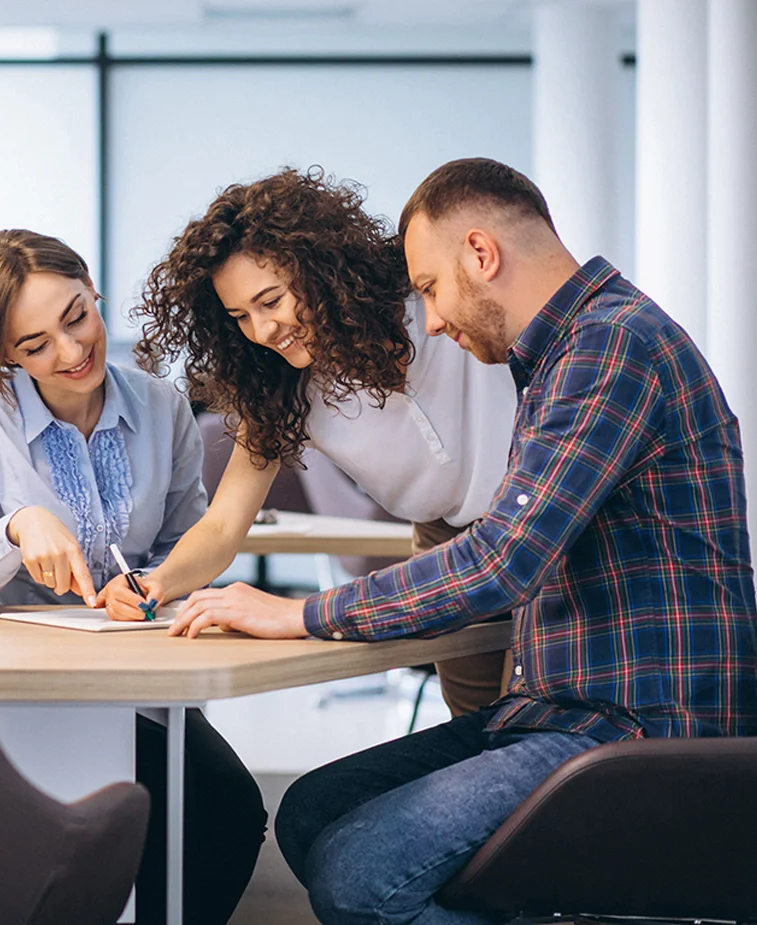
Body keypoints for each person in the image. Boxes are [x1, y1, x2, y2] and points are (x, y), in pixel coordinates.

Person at [164, 158, 757, 925]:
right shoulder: (558, 355)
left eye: (432, 290)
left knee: (359, 874)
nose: (432, 320)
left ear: (481, 254)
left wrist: (301, 612)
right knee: (313, 811)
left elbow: (502, 558)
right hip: (558, 704)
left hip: (634, 721)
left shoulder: (610, 348)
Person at [0, 229, 266, 925]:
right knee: (140, 817)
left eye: (77, 316)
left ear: (92, 288)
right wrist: (18, 525)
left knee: (225, 810)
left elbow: (185, 543)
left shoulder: (161, 406)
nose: (73, 351)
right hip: (15, 695)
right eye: (35, 345)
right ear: (1, 357)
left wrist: (152, 582)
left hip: (134, 680)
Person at [117, 166, 518, 715]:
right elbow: (221, 524)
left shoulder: (428, 302)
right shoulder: (282, 389)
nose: (261, 331)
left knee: (550, 730)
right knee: (480, 735)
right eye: (240, 317)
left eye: (271, 301)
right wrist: (154, 583)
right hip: (444, 546)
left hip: (539, 519)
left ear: (318, 270)